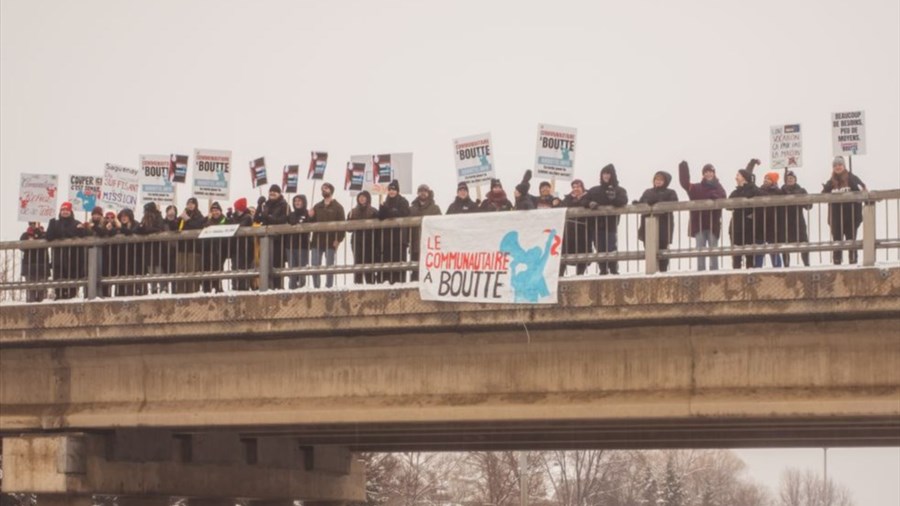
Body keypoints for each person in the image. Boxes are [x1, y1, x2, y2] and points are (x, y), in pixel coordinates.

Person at [678, 161, 727, 271]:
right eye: (706, 172)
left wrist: (716, 196)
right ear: (703, 174)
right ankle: (701, 273)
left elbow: (724, 197)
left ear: (714, 173)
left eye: (710, 172)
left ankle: (714, 274)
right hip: (698, 225)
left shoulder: (719, 187)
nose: (708, 174)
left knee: (713, 251)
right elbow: (685, 184)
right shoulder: (696, 188)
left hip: (713, 225)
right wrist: (683, 169)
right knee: (700, 251)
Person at [822, 156, 867, 265]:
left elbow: (863, 190)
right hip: (836, 218)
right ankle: (837, 263)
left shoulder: (852, 178)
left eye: (840, 165)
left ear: (844, 166)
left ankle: (853, 261)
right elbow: (822, 195)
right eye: (835, 165)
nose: (838, 167)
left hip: (851, 216)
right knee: (837, 241)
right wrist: (826, 189)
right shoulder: (831, 182)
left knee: (851, 241)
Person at [586, 164, 628, 275]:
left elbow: (623, 201)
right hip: (596, 224)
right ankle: (603, 270)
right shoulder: (594, 190)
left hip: (611, 225)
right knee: (599, 248)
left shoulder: (619, 190)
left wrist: (613, 199)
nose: (606, 176)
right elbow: (584, 200)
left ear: (612, 175)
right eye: (604, 173)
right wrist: (589, 203)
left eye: (608, 173)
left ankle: (614, 270)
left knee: (611, 247)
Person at [636, 171, 679, 272]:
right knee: (649, 250)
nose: (658, 181)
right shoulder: (647, 192)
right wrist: (638, 203)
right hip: (647, 227)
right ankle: (651, 271)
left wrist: (657, 203)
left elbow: (674, 204)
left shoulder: (671, 192)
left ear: (665, 181)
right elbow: (642, 203)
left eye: (661, 180)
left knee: (663, 250)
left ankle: (663, 271)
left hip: (664, 226)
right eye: (656, 179)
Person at [46, 201, 87, 300]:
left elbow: (83, 235)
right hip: (58, 260)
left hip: (73, 261)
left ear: (71, 211)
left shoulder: (77, 223)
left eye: (67, 210)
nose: (65, 212)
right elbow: (49, 237)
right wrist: (51, 221)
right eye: (63, 210)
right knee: (59, 287)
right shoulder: (55, 223)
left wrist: (81, 229)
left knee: (72, 288)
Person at [309, 182, 345, 288]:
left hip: (331, 241)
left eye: (326, 188)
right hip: (317, 241)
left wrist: (338, 239)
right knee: (315, 265)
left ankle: (329, 287)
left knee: (329, 266)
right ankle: (316, 287)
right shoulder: (317, 206)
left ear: (331, 190)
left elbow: (342, 225)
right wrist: (310, 217)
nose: (324, 190)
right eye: (322, 189)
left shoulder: (338, 207)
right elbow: (311, 223)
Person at [728, 160, 761, 269]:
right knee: (736, 256)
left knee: (749, 255)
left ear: (744, 178)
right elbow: (728, 205)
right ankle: (736, 277)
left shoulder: (753, 189)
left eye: (738, 175)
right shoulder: (735, 192)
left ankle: (750, 276)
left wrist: (754, 214)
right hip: (736, 226)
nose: (735, 177)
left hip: (749, 226)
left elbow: (763, 201)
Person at [255, 184, 289, 289]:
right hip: (265, 240)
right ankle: (268, 287)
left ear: (279, 193)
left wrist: (269, 217)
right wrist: (259, 205)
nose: (272, 193)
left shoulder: (284, 205)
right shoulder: (266, 205)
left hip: (279, 241)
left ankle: (278, 287)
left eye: (275, 191)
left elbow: (283, 220)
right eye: (271, 191)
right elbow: (256, 219)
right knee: (265, 265)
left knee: (277, 265)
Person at [377, 179, 411, 284]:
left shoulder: (403, 201)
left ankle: (400, 283)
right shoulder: (385, 202)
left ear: (397, 191)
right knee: (387, 264)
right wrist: (382, 209)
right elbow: (381, 217)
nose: (392, 191)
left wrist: (390, 212)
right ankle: (387, 283)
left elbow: (403, 213)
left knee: (399, 264)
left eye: (394, 189)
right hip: (387, 240)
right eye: (390, 189)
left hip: (400, 239)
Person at [408, 184, 441, 281]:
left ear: (428, 193)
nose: (423, 193)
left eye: (425, 191)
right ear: (418, 193)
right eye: (421, 191)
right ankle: (414, 288)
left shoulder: (435, 208)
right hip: (415, 244)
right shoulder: (412, 208)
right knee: (415, 268)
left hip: (430, 245)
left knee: (430, 268)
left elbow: (439, 225)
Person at [559, 179, 591, 275]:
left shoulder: (588, 196)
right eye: (573, 187)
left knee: (582, 255)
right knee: (564, 253)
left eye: (578, 186)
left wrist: (579, 199)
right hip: (569, 231)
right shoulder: (568, 198)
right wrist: (570, 198)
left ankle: (580, 275)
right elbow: (562, 206)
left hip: (584, 231)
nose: (576, 189)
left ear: (582, 187)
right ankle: (560, 275)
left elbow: (585, 204)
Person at [781, 170, 811, 267]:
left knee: (803, 243)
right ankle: (786, 267)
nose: (789, 179)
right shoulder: (781, 191)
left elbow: (809, 206)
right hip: (784, 222)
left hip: (798, 222)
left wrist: (799, 199)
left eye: (791, 178)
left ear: (795, 179)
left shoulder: (801, 190)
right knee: (784, 246)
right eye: (787, 178)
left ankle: (806, 264)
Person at [174, 197, 205, 293]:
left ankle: (193, 291)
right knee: (181, 270)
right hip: (182, 248)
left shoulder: (199, 216)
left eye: (192, 203)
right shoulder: (183, 215)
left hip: (194, 249)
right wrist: (174, 218)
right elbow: (175, 226)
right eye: (188, 203)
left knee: (192, 270)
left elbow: (198, 226)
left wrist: (187, 219)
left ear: (196, 205)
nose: (190, 205)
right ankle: (180, 291)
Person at [347, 190, 378, 284]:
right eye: (360, 197)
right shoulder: (353, 211)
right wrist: (350, 219)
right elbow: (348, 229)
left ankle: (371, 285)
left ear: (368, 199)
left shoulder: (373, 211)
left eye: (364, 197)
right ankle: (357, 285)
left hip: (370, 241)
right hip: (357, 241)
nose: (362, 198)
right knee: (358, 264)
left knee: (369, 265)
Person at [755, 171, 785, 268]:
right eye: (765, 178)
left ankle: (778, 271)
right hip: (760, 223)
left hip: (773, 224)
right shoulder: (759, 191)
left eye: (768, 178)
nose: (766, 180)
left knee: (774, 251)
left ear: (773, 181)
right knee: (759, 250)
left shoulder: (778, 192)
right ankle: (757, 271)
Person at [112, 208, 143, 296]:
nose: (123, 218)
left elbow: (132, 233)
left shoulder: (135, 224)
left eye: (125, 216)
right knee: (121, 277)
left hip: (134, 256)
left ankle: (136, 294)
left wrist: (121, 227)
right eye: (121, 216)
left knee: (134, 277)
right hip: (120, 256)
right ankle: (120, 294)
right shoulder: (117, 225)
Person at [138, 202, 167, 293]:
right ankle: (154, 288)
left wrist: (147, 230)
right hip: (148, 248)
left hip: (157, 248)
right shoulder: (144, 218)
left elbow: (159, 229)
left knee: (158, 269)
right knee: (151, 270)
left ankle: (163, 288)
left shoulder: (158, 217)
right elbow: (140, 229)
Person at [199, 202, 229, 293]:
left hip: (221, 247)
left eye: (216, 210)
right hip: (208, 248)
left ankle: (218, 287)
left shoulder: (225, 220)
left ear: (220, 211)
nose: (215, 212)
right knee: (206, 267)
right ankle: (206, 288)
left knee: (218, 267)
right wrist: (206, 221)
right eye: (213, 211)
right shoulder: (207, 220)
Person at [228, 197, 255, 291]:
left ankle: (243, 288)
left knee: (243, 268)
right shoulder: (234, 216)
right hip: (235, 247)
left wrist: (231, 220)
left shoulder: (247, 217)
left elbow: (239, 227)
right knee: (235, 267)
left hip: (245, 247)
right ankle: (235, 287)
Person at [285, 195, 311, 289]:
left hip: (302, 246)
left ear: (303, 202)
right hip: (290, 246)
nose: (297, 202)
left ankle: (302, 289)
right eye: (295, 201)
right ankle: (292, 289)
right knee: (292, 271)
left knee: (301, 271)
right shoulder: (290, 214)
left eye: (299, 201)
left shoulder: (308, 213)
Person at [20, 222, 49, 302]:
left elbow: (49, 240)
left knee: (42, 289)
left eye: (34, 223)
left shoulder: (44, 234)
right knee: (30, 289)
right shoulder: (25, 235)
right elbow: (21, 247)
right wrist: (28, 242)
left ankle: (43, 309)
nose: (32, 225)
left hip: (42, 264)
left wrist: (38, 234)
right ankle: (30, 308)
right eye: (31, 223)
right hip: (29, 265)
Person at [162, 205, 179, 293]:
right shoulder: (162, 222)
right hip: (164, 250)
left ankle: (174, 289)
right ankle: (164, 289)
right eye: (169, 211)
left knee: (174, 271)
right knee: (164, 271)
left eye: (173, 211)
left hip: (174, 250)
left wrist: (173, 220)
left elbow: (176, 227)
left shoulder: (178, 221)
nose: (171, 213)